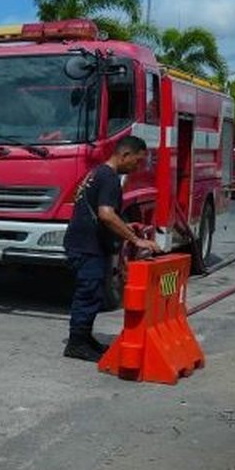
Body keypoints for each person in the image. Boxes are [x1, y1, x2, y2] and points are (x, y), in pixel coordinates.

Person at [62, 135, 161, 362]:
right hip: (87, 246)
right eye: (137, 161)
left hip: (84, 243)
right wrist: (136, 241)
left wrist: (126, 229)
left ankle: (85, 338)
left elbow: (106, 214)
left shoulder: (98, 173)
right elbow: (106, 214)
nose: (137, 168)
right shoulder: (109, 178)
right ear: (124, 155)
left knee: (94, 293)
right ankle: (76, 344)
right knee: (89, 293)